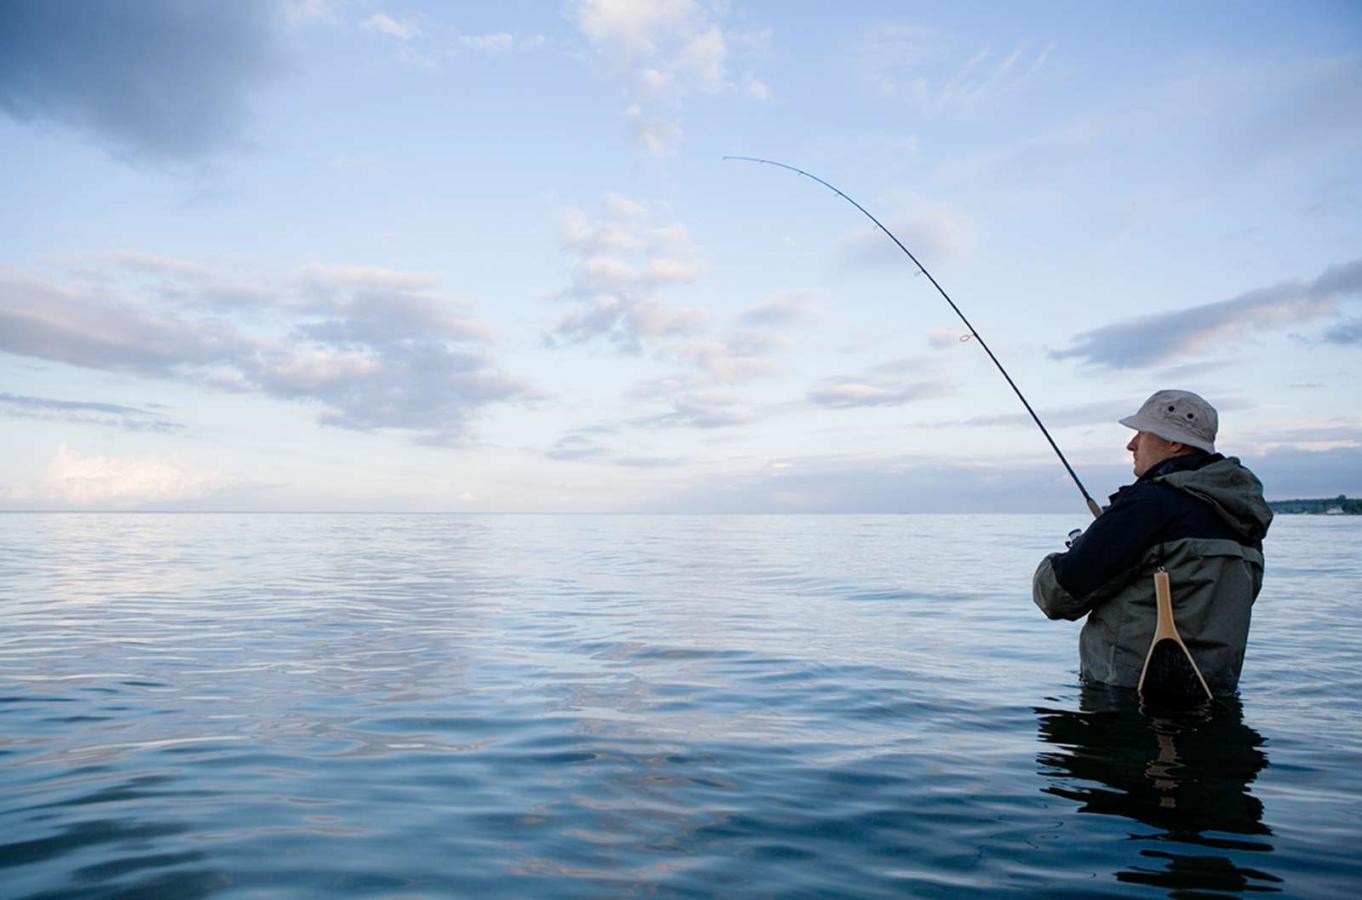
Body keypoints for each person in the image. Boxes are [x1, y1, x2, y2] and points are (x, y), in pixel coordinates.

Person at [1032, 390, 1273, 695]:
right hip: (1215, 698)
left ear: (1174, 443)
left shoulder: (1149, 505)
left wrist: (1080, 550)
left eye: (1142, 434)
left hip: (1128, 706)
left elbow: (1055, 596)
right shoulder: (1242, 517)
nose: (1131, 444)